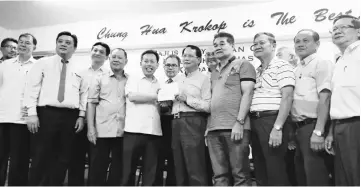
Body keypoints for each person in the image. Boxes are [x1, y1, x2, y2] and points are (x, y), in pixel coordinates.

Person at [24, 31, 88, 186]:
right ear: (56, 44)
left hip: (70, 116)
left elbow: (83, 93)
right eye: (60, 41)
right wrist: (31, 114)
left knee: (63, 156)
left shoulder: (81, 68)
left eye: (68, 42)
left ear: (74, 48)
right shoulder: (42, 63)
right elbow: (31, 89)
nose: (63, 44)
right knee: (41, 154)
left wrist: (81, 116)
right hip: (46, 114)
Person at [206, 32, 255, 186]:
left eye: (222, 44)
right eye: (215, 45)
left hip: (235, 128)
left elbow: (248, 93)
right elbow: (212, 101)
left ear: (232, 46)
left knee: (240, 174)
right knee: (219, 176)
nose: (218, 48)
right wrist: (208, 128)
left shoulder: (243, 65)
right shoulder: (214, 72)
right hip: (214, 130)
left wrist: (239, 123)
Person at [250, 32, 295, 186]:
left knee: (276, 169)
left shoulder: (282, 65)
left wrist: (277, 127)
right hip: (255, 121)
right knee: (260, 169)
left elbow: (287, 97)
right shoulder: (257, 70)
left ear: (273, 45)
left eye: (261, 43)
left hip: (272, 120)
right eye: (254, 44)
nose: (257, 46)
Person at [291, 29, 334, 186]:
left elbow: (326, 97)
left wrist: (319, 131)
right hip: (298, 128)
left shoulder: (322, 63)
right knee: (302, 176)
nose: (300, 44)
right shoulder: (297, 68)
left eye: (305, 40)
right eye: (297, 41)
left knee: (316, 177)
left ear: (317, 44)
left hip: (313, 126)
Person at [68, 42, 110, 186]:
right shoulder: (79, 72)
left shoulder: (109, 75)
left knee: (97, 161)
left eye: (101, 51)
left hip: (99, 124)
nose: (97, 53)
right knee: (76, 159)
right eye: (95, 50)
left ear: (107, 57)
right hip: (79, 120)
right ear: (90, 52)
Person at [326, 15, 360, 186]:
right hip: (340, 126)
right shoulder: (339, 60)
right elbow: (337, 100)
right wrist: (331, 132)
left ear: (358, 31)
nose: (337, 31)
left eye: (343, 27)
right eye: (334, 29)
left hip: (357, 125)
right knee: (343, 179)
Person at [0, 33, 37, 186]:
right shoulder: (4, 65)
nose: (22, 45)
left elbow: (38, 92)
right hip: (2, 118)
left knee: (19, 160)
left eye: (27, 43)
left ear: (34, 46)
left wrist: (33, 113)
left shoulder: (38, 66)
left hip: (22, 121)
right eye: (20, 42)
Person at [87, 48, 128, 186]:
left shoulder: (131, 80)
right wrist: (91, 128)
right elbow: (91, 103)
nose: (116, 60)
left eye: (120, 58)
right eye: (113, 57)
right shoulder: (99, 78)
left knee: (118, 169)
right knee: (97, 168)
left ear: (126, 61)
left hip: (122, 131)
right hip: (101, 130)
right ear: (109, 59)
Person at [120, 50, 161, 186]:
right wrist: (157, 97)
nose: (149, 64)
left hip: (154, 133)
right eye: (146, 61)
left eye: (152, 62)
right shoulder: (133, 78)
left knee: (150, 172)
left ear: (157, 65)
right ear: (140, 63)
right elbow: (133, 97)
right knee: (127, 171)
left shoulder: (160, 84)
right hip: (133, 131)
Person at [172, 45, 211, 186]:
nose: (186, 58)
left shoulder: (204, 79)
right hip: (175, 122)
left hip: (193, 122)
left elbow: (208, 106)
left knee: (195, 164)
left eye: (190, 56)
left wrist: (187, 99)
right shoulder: (177, 79)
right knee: (178, 165)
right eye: (184, 55)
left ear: (199, 60)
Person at [154, 54, 180, 186]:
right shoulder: (158, 82)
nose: (170, 68)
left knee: (174, 160)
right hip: (159, 123)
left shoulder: (183, 82)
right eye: (168, 65)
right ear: (163, 66)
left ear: (179, 67)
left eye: (174, 65)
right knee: (157, 158)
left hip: (176, 123)